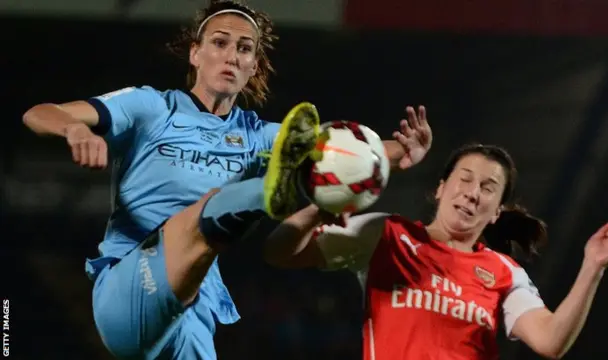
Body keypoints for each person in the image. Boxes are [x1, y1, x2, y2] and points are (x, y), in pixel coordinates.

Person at [22, 1, 432, 358]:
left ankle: (287, 187)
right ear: (195, 54)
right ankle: (283, 190)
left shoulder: (258, 136)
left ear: (253, 65)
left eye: (244, 48)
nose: (232, 56)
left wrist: (398, 152)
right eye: (219, 43)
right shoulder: (152, 107)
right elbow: (40, 113)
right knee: (203, 213)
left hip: (194, 309)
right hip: (127, 288)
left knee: (277, 168)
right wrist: (76, 130)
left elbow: (347, 153)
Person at [264, 142, 608, 360]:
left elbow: (551, 342)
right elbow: (280, 252)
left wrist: (594, 265)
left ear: (496, 213)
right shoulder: (386, 234)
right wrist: (319, 209)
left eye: (489, 188)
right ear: (441, 188)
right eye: (466, 179)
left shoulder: (504, 272)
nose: (474, 192)